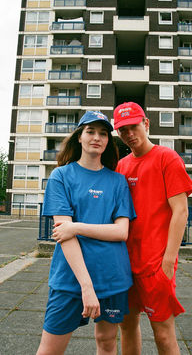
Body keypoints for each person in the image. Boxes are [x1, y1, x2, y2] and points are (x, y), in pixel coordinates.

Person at [36, 111, 136, 355]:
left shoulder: (118, 181)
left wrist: (77, 226)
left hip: (112, 278)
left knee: (107, 342)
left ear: (108, 142)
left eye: (103, 133)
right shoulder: (60, 176)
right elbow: (64, 234)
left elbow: (121, 232)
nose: (97, 137)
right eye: (90, 131)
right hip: (70, 281)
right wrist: (86, 287)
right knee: (49, 349)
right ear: (79, 137)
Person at [113, 102, 192, 355]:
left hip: (155, 264)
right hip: (126, 263)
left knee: (162, 333)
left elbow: (180, 211)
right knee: (127, 327)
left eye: (134, 126)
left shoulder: (167, 158)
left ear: (146, 124)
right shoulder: (122, 166)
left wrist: (168, 261)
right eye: (122, 129)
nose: (129, 134)